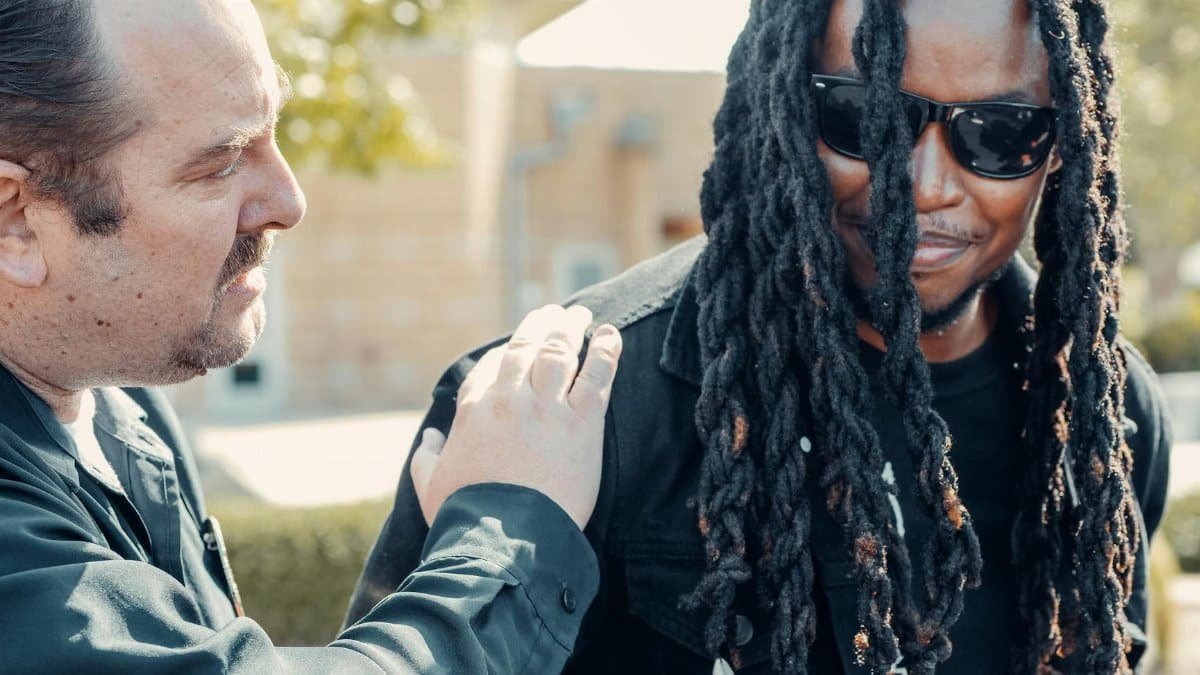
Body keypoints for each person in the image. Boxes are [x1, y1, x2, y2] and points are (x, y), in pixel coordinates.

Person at [347, 0, 1173, 673]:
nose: (920, 186)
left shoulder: (1110, 416)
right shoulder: (564, 406)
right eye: (862, 116)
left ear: (1064, 144)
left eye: (997, 133)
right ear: (777, 103)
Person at [0, 1, 622, 673]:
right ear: (17, 221)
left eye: (273, 131)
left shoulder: (121, 406)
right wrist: (510, 524)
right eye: (221, 164)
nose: (289, 201)